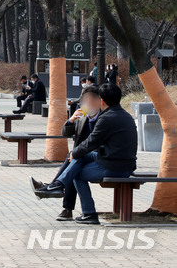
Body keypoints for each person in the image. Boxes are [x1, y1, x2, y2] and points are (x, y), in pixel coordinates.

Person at [34, 83, 137, 224]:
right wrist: (75, 152)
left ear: (101, 101)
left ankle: (89, 213)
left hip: (114, 166)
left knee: (77, 173)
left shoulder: (106, 118)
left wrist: (75, 153)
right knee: (78, 156)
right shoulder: (123, 115)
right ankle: (57, 185)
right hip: (117, 160)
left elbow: (91, 142)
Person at [29, 85, 102, 221]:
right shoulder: (82, 114)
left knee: (74, 162)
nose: (87, 104)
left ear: (99, 101)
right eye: (84, 101)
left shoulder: (104, 116)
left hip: (97, 155)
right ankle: (62, 200)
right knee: (74, 163)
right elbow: (65, 133)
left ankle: (55, 188)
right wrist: (71, 120)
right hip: (81, 154)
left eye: (90, 101)